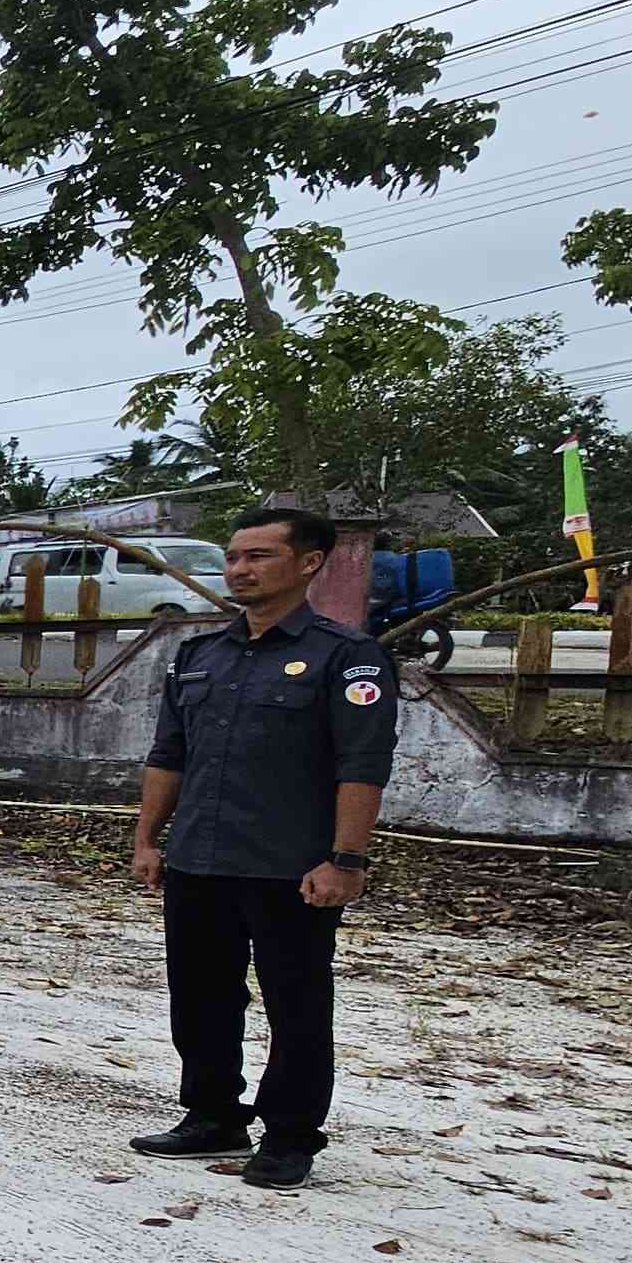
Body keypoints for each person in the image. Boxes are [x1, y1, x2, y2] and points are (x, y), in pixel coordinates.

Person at [128, 508, 398, 1189]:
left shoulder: (347, 657)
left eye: (260, 556)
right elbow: (170, 754)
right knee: (200, 998)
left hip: (291, 867)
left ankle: (289, 1135)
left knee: (296, 1005)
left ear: (309, 564)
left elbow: (361, 765)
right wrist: (147, 837)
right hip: (200, 858)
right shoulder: (200, 655)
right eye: (236, 556)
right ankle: (212, 1113)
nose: (241, 569)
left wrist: (346, 860)